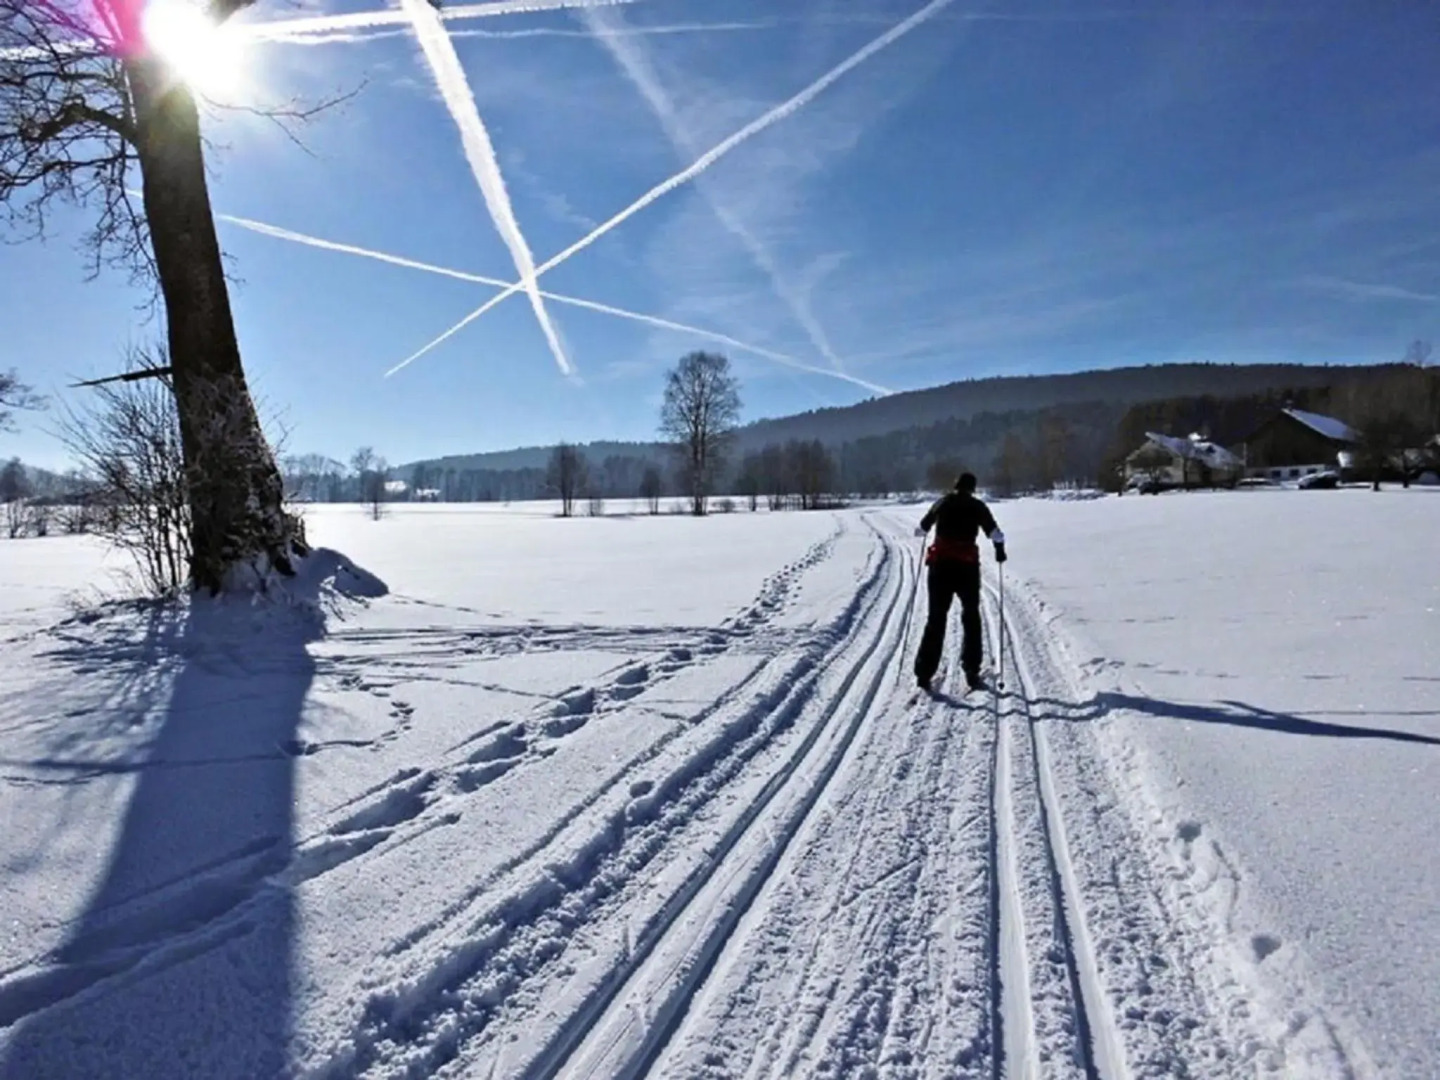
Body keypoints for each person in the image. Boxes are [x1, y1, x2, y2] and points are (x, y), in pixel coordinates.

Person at [913, 472, 1007, 692]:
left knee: (936, 618)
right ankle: (971, 669)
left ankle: (924, 673)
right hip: (967, 568)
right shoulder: (977, 506)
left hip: (940, 568)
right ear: (973, 488)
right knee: (971, 615)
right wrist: (1000, 552)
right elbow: (995, 534)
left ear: (954, 485)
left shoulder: (942, 502)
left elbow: (922, 528)